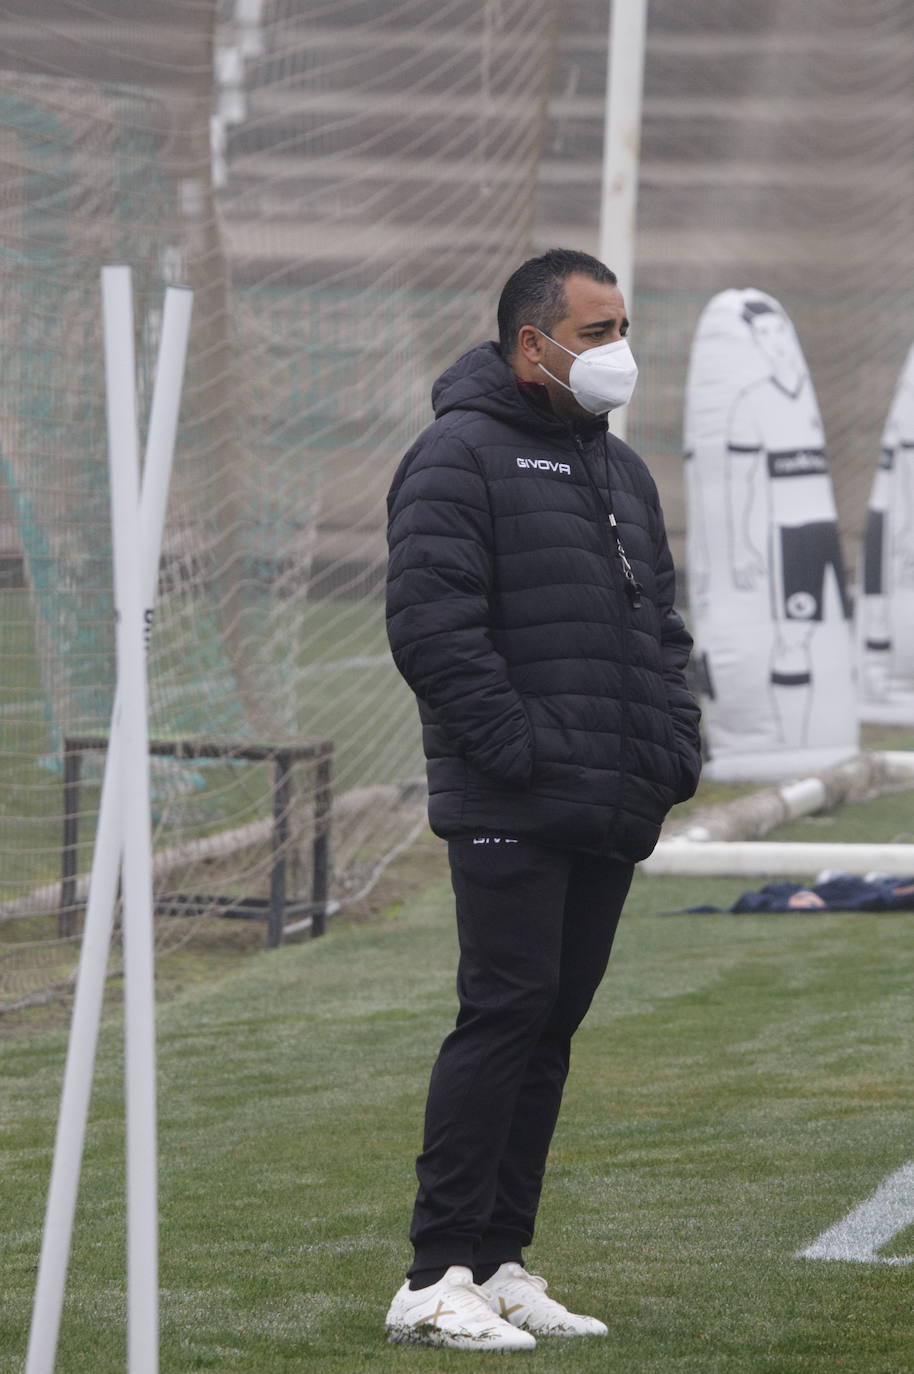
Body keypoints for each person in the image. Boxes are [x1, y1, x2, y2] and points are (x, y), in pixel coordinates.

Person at [383, 247, 701, 1351]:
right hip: (513, 796)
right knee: (503, 1012)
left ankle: (498, 1258)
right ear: (532, 344)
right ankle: (432, 1276)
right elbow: (431, 629)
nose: (619, 351)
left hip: (607, 801)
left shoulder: (616, 470)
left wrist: (671, 748)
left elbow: (658, 628)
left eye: (621, 328)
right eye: (598, 331)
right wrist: (518, 753)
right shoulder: (457, 454)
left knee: (549, 1029)